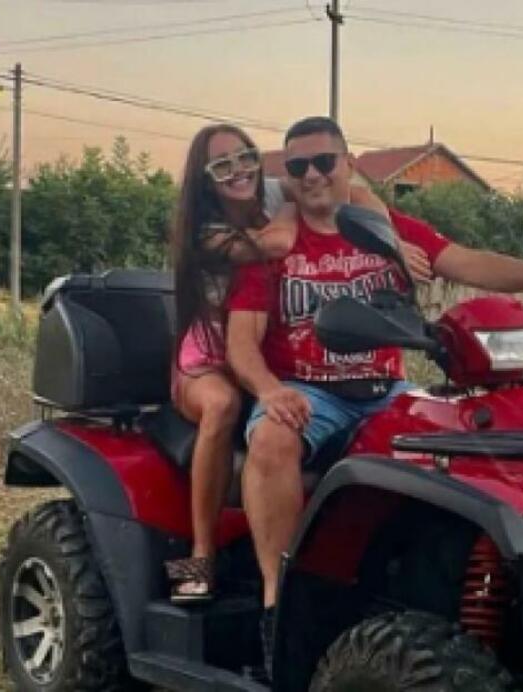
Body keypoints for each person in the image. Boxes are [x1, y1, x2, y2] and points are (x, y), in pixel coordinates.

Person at [225, 115, 523, 666]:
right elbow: (242, 342)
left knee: (479, 446)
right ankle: (280, 606)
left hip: (387, 390)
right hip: (308, 391)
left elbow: (467, 261)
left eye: (324, 161)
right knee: (271, 441)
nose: (312, 175)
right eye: (298, 166)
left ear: (348, 164)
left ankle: (485, 598)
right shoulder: (273, 249)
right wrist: (268, 392)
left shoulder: (388, 232)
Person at [166, 123, 427, 604]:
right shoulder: (206, 230)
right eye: (221, 165)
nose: (237, 171)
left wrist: (387, 236)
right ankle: (201, 551)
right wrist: (291, 212)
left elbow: (354, 190)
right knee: (223, 406)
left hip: (261, 350)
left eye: (245, 157)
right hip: (210, 355)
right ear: (205, 178)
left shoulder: (274, 187)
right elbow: (278, 245)